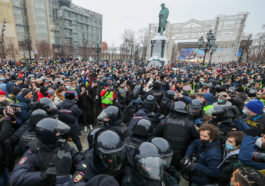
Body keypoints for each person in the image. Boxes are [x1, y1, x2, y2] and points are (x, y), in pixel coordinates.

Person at [10, 118, 86, 186]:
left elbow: (81, 159)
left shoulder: (61, 144)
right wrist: (43, 176)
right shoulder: (34, 151)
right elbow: (16, 177)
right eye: (57, 132)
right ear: (47, 135)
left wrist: (75, 179)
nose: (59, 134)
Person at [155, 101, 199, 169]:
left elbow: (155, 136)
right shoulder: (190, 124)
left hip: (165, 157)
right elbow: (196, 137)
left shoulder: (164, 122)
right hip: (181, 159)